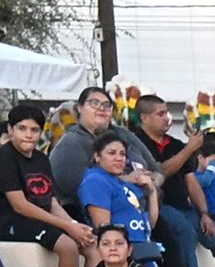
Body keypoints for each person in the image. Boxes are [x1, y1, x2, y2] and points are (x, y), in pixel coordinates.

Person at [0, 104, 93, 267]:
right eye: (22, 129)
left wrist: (74, 224)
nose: (28, 135)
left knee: (92, 244)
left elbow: (51, 202)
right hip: (10, 221)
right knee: (67, 247)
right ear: (10, 130)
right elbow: (20, 205)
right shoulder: (1, 159)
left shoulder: (41, 159)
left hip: (41, 219)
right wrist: (66, 227)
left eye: (34, 130)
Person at [138, 96, 215, 267]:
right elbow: (160, 172)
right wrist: (189, 150)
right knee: (185, 232)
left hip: (186, 206)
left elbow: (191, 181)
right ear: (144, 118)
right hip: (161, 205)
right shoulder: (138, 143)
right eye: (161, 114)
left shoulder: (175, 144)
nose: (167, 118)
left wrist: (204, 213)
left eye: (167, 113)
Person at [49, 86, 158, 221]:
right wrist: (128, 179)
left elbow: (156, 169)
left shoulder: (123, 133)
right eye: (94, 103)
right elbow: (82, 188)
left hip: (147, 207)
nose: (101, 108)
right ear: (79, 107)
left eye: (107, 105)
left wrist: (150, 182)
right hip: (96, 216)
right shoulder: (71, 142)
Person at [76, 132, 161, 262]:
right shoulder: (95, 181)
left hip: (143, 249)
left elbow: (151, 224)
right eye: (112, 153)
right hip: (122, 254)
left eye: (122, 154)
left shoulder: (125, 184)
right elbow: (103, 228)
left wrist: (152, 191)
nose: (119, 158)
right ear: (97, 156)